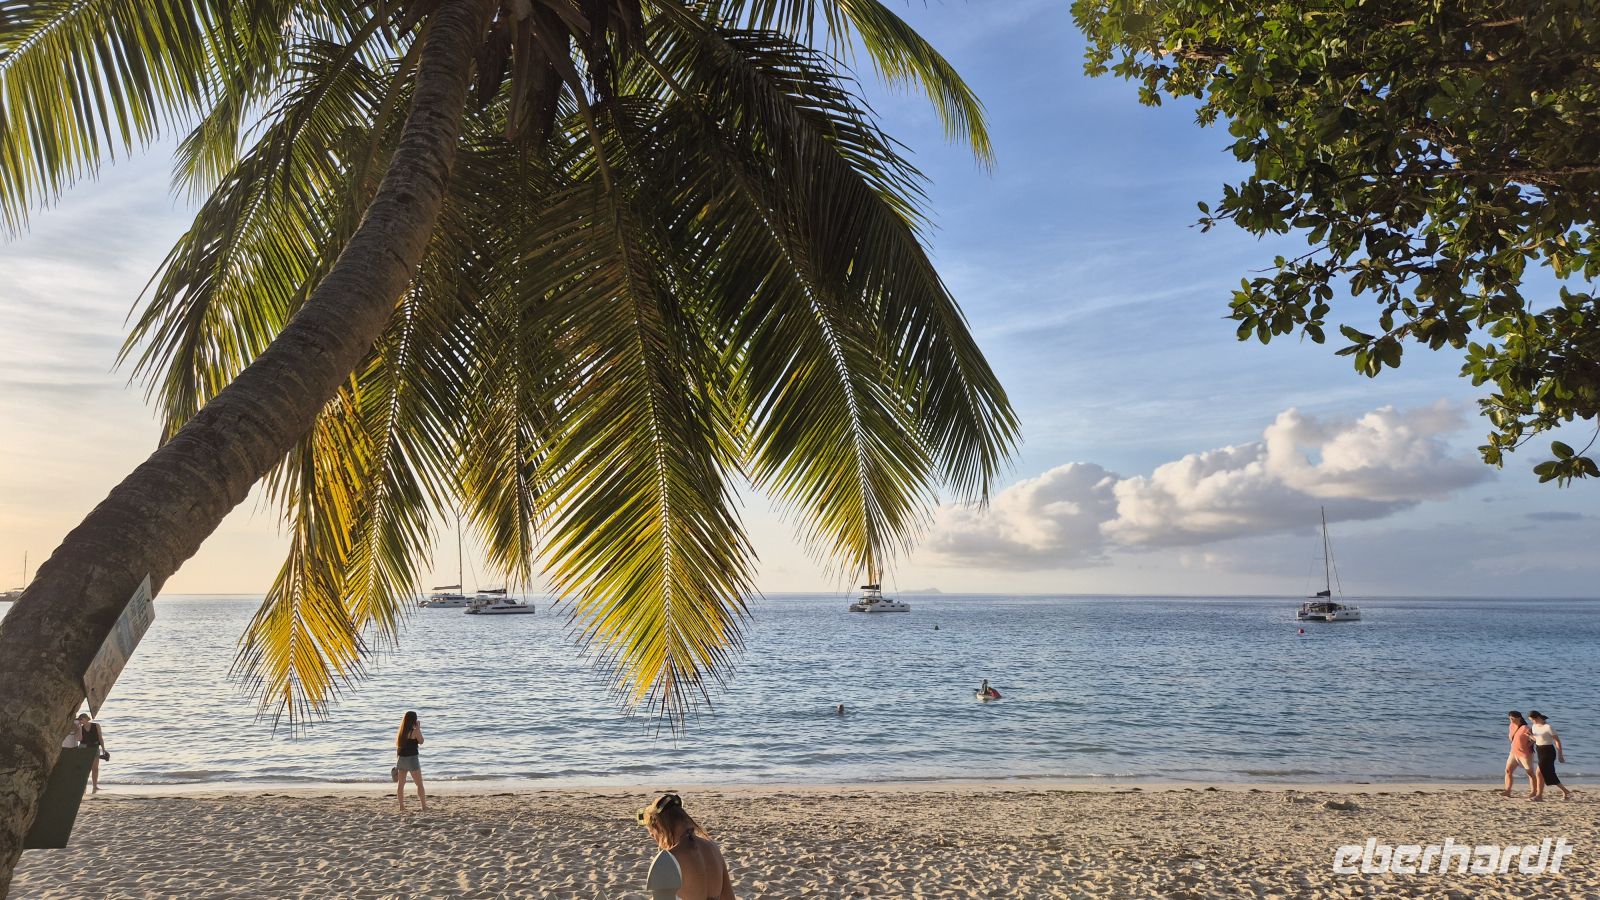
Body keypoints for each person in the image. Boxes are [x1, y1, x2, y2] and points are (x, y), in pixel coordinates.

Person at [635, 793, 735, 900]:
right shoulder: (713, 847)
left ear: (659, 826)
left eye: (653, 835)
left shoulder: (667, 860)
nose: (657, 842)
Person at [1528, 711, 1573, 801]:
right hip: (1539, 750)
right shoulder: (1534, 726)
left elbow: (1557, 741)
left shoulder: (1548, 727)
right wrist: (1530, 737)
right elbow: (1537, 739)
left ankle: (1539, 796)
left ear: (1537, 718)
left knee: (1539, 773)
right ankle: (1565, 791)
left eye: (1532, 720)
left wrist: (1560, 754)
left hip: (1548, 751)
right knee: (1547, 773)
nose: (1532, 722)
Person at [1503, 711, 1542, 800]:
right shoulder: (1511, 726)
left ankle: (1533, 792)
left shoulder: (1526, 728)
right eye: (1510, 718)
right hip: (1513, 753)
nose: (1511, 720)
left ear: (1519, 718)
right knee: (1508, 771)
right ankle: (1508, 791)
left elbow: (1535, 739)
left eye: (1512, 718)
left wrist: (1529, 744)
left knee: (1530, 773)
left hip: (1525, 754)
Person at [395, 711, 427, 814]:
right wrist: (418, 729)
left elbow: (399, 748)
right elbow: (421, 741)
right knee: (419, 784)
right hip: (412, 760)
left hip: (401, 759)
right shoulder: (415, 731)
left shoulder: (401, 732)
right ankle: (424, 806)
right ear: (414, 720)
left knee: (401, 784)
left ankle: (401, 806)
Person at [77, 713, 109, 792]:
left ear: (86, 718)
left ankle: (95, 786)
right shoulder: (80, 728)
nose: (80, 721)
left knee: (95, 768)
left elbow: (100, 738)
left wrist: (103, 749)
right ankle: (83, 786)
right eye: (79, 720)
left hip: (94, 748)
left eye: (81, 719)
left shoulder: (96, 726)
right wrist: (79, 728)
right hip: (84, 748)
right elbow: (79, 739)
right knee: (85, 768)